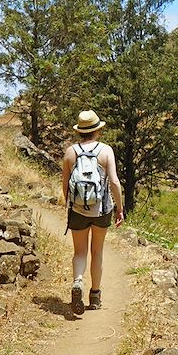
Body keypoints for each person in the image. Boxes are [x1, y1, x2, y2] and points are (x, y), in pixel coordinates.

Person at [62, 110, 124, 315]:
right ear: (97, 130)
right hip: (102, 210)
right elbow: (114, 182)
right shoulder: (106, 151)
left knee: (79, 252)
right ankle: (95, 296)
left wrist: (69, 205)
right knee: (97, 251)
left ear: (80, 131)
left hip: (78, 210)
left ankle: (77, 281)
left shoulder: (70, 152)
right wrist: (119, 208)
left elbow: (65, 185)